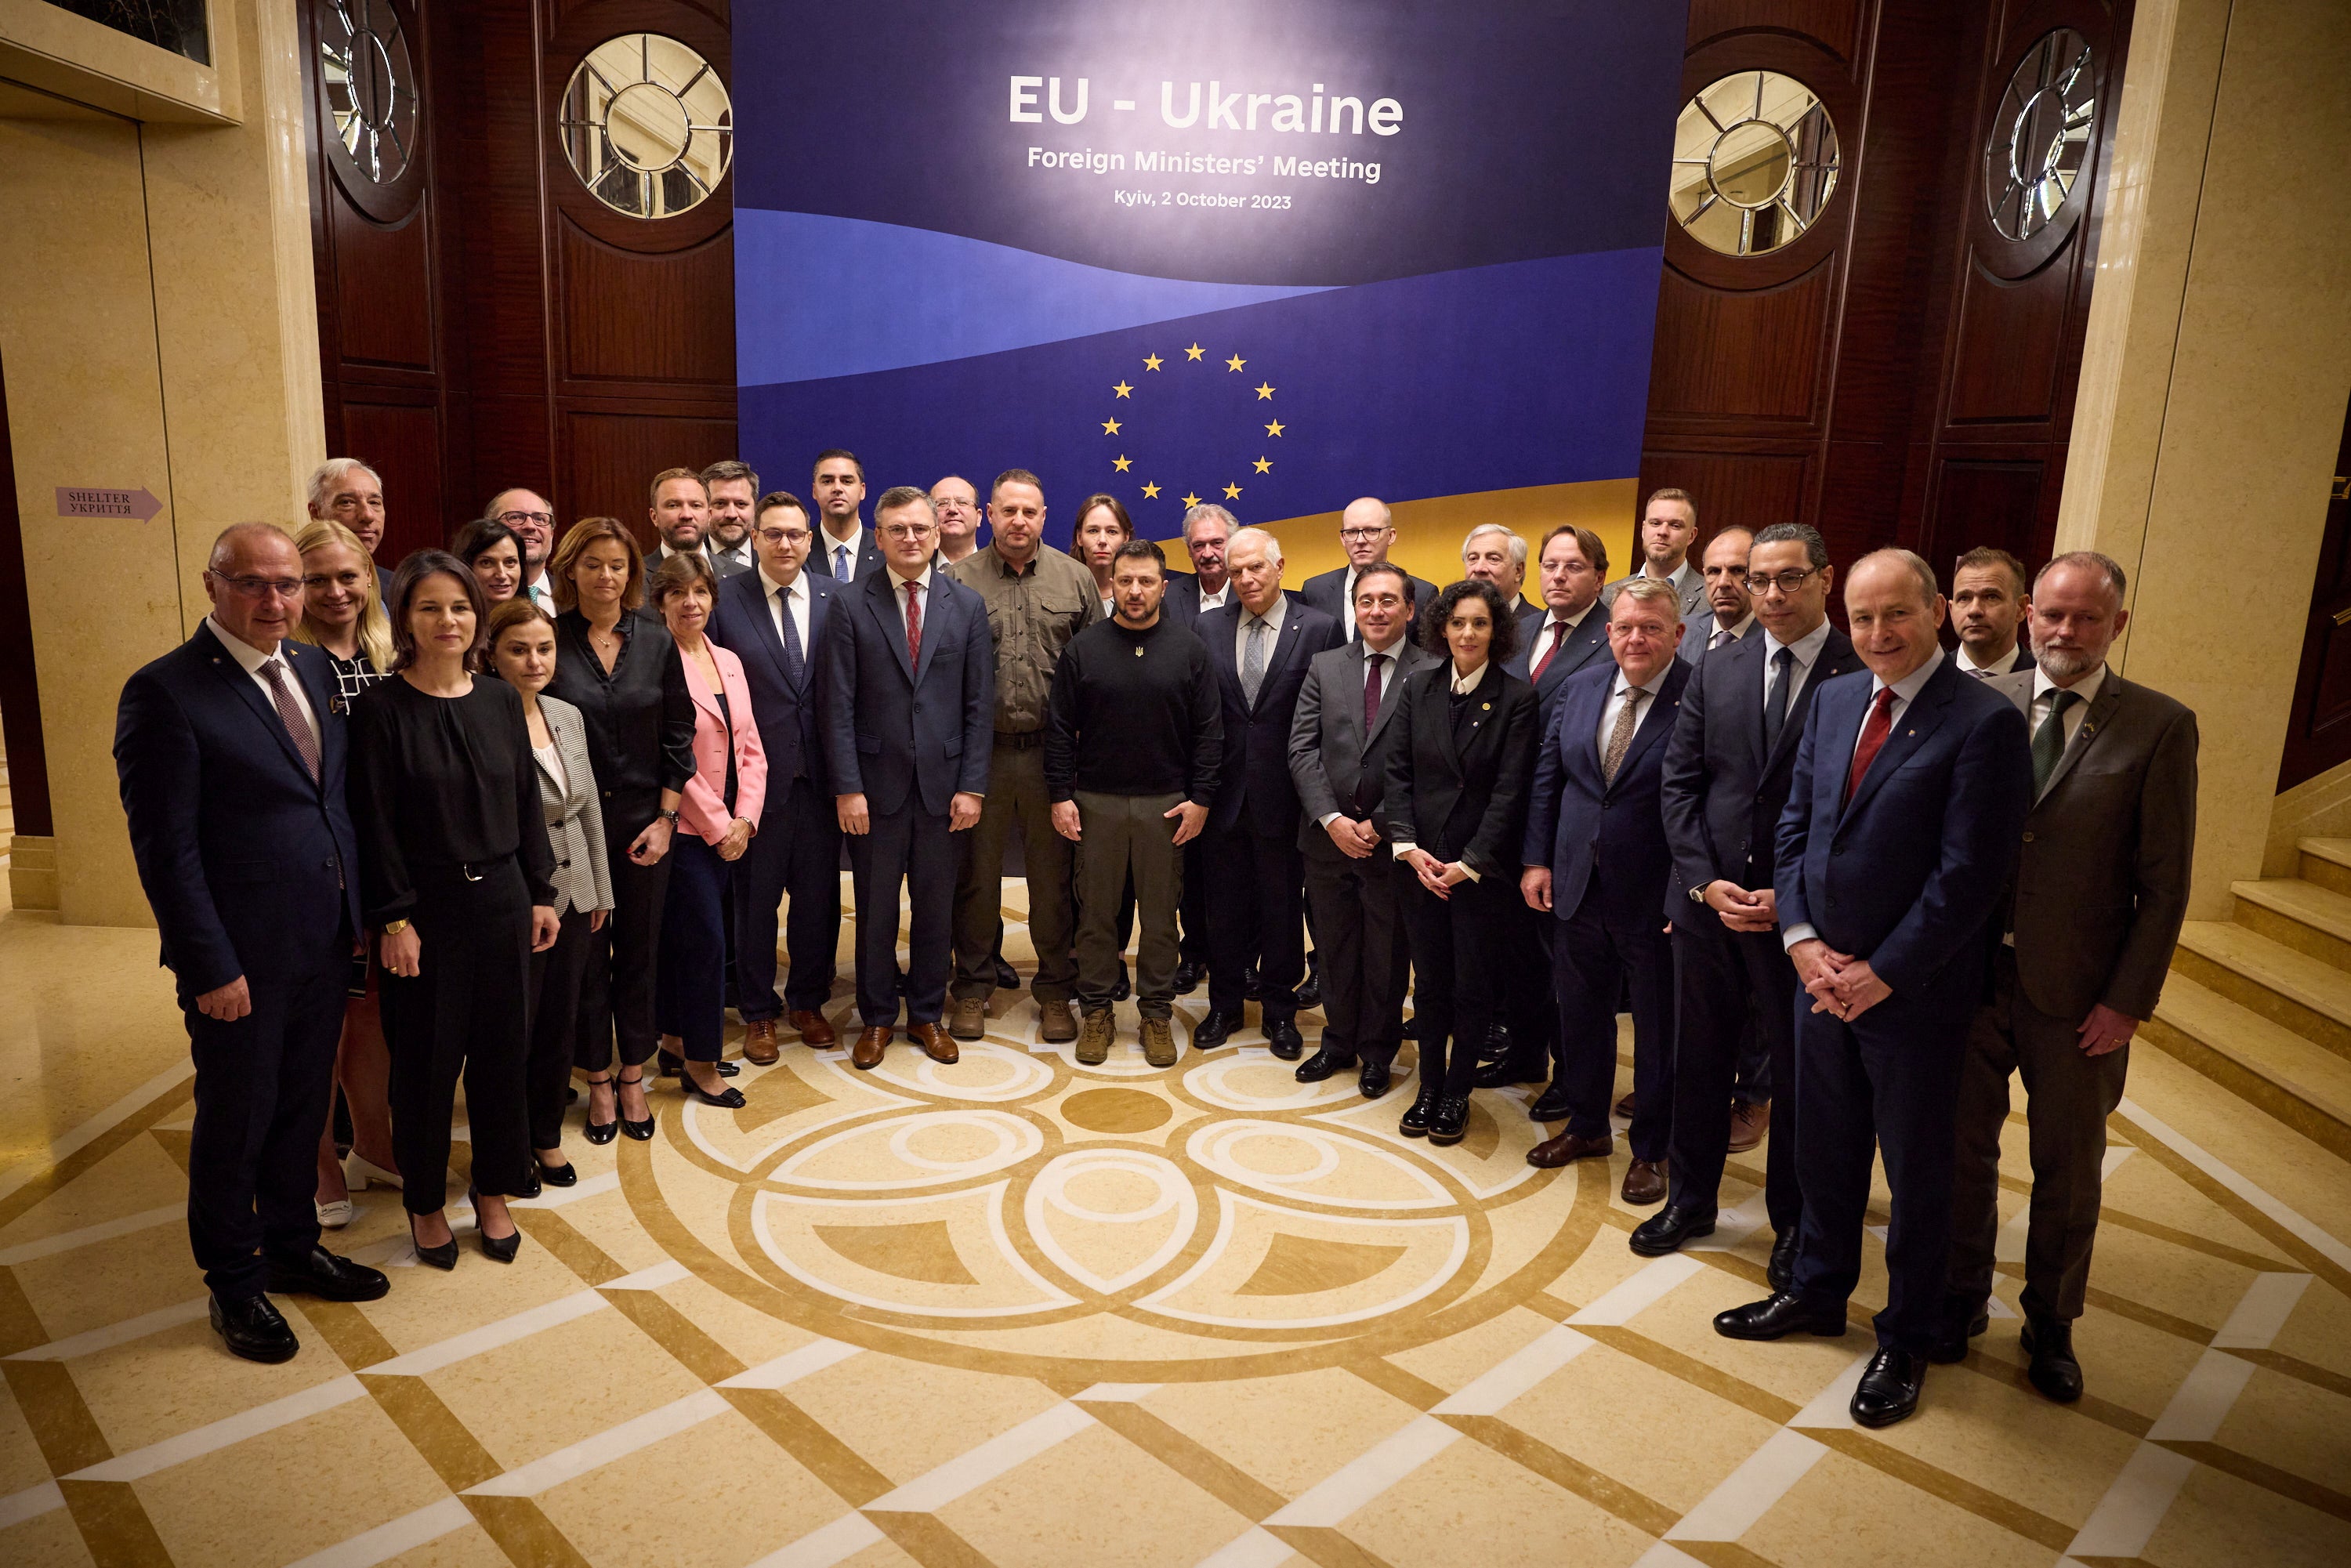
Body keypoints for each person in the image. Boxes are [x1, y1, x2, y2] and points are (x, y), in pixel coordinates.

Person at [1712, 549, 2031, 1433]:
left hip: (1916, 996)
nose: (1879, 633)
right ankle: (1817, 1292)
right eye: (1864, 618)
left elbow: (1970, 877)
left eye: (1897, 614)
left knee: (1920, 1172)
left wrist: (1881, 972)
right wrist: (1805, 942)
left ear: (1935, 613)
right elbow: (1798, 827)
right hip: (1821, 981)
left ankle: (1909, 1335)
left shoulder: (1983, 723)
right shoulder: (1838, 699)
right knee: (1824, 1146)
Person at [115, 523, 389, 1363]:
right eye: (254, 585)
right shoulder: (165, 692)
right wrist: (209, 965)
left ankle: (293, 1245)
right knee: (238, 1116)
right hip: (240, 957)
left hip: (322, 939)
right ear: (212, 586)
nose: (275, 601)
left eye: (288, 584)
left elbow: (329, 803)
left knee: (305, 1104)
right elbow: (167, 851)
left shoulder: (310, 668)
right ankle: (235, 1283)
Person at [1941, 552, 2197, 1401]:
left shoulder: (2158, 725)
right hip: (1974, 981)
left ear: (2116, 625)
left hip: (2080, 997)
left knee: (2068, 1167)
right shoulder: (1982, 706)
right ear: (2027, 615)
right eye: (2051, 614)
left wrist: (2128, 1000)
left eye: (2086, 618)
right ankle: (1959, 1297)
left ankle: (2051, 1322)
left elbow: (2164, 884)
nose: (2063, 632)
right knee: (1960, 1153)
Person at [1651, 523, 1860, 1280]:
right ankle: (1690, 1198)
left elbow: (1856, 808)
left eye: (1788, 578)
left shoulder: (1860, 670)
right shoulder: (1719, 663)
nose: (1771, 594)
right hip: (1712, 906)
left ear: (1825, 579)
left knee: (1800, 1081)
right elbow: (1681, 784)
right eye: (1759, 580)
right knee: (1697, 1060)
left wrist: (1792, 895)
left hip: (1802, 921)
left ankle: (1793, 1224)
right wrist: (1705, 882)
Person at [352, 552, 560, 1269]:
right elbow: (373, 823)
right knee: (427, 1065)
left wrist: (542, 890)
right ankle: (425, 1202)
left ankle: (495, 1190)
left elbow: (526, 803)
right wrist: (395, 919)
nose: (448, 620)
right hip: (426, 911)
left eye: (461, 607)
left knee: (503, 1055)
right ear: (404, 617)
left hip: (503, 897)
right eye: (430, 607)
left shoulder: (501, 698)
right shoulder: (380, 709)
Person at [1520, 579, 1690, 1201]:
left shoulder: (1697, 694)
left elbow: (1703, 804)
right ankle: (1588, 1126)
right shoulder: (1582, 685)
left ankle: (1652, 1148)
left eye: (1650, 627)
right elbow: (1549, 779)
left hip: (1655, 898)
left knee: (1656, 1029)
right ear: (1609, 632)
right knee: (1582, 1016)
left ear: (1677, 633)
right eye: (1624, 627)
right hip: (1575, 885)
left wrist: (1683, 891)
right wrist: (1537, 859)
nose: (1635, 638)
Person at [824, 487, 994, 1067]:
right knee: (875, 909)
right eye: (898, 529)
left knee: (935, 905)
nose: (912, 538)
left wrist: (972, 786)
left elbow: (978, 706)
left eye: (921, 528)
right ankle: (876, 1018)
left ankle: (925, 1014)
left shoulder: (966, 605)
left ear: (936, 532)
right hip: (873, 789)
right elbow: (837, 705)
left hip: (945, 790)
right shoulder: (849, 605)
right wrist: (848, 785)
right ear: (880, 537)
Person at [543, 518, 694, 1143]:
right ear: (570, 570)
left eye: (618, 566)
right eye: (593, 564)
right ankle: (596, 1077)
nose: (606, 577)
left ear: (634, 574)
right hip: (574, 829)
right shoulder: (548, 641)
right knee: (583, 961)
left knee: (639, 951)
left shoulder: (656, 641)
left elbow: (678, 736)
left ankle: (633, 1072)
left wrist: (666, 819)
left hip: (644, 825)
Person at [1048, 539, 1223, 1065]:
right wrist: (1060, 796)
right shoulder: (1085, 647)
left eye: (1146, 581)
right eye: (1125, 581)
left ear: (1163, 586)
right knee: (1097, 916)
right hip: (1096, 802)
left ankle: (1156, 1014)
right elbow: (1059, 729)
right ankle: (1096, 1012)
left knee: (1162, 919)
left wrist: (1201, 799)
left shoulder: (1189, 648)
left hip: (1166, 806)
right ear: (1113, 584)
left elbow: (1210, 733)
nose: (1135, 590)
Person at [1384, 579, 1538, 1144]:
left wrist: (1468, 862)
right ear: (1441, 628)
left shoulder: (1517, 697)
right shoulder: (1417, 687)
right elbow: (1397, 773)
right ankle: (1428, 1085)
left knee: (1472, 987)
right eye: (1458, 622)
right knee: (1429, 984)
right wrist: (1406, 846)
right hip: (1419, 865)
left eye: (1480, 623)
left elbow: (1510, 792)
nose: (1468, 632)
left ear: (1495, 632)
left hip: (1477, 873)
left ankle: (1456, 1090)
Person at [946, 469, 1099, 1042]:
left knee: (1052, 882)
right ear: (989, 514)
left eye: (1029, 512)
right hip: (979, 757)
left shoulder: (1076, 578)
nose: (1018, 521)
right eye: (1007, 511)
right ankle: (973, 986)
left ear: (1044, 516)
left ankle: (1057, 988)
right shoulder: (956, 579)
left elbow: (1095, 675)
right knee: (977, 879)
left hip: (1050, 758)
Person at [289, 520, 400, 1228]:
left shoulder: (389, 652)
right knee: (320, 1022)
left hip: (385, 859)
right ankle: (319, 1159)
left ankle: (377, 1145)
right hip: (320, 868)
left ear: (369, 579)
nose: (336, 591)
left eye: (348, 576)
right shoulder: (288, 662)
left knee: (374, 1014)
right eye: (319, 578)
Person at [1288, 563, 1436, 1098]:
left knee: (1386, 953)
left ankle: (1378, 1050)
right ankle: (1337, 1041)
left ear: (1410, 608)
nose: (1376, 609)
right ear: (1354, 608)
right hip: (1326, 841)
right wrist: (1331, 819)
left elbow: (1429, 764)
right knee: (1333, 947)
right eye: (1366, 600)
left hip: (1391, 844)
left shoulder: (1432, 670)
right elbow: (1301, 748)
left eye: (1388, 600)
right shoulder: (1326, 665)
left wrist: (1376, 824)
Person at [1194, 528, 1342, 1056]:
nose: (1246, 579)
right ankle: (1225, 1005)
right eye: (1236, 572)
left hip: (1287, 797)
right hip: (1223, 797)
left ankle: (1280, 1011)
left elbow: (1330, 718)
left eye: (1256, 567)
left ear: (1281, 566)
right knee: (1223, 911)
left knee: (1281, 910)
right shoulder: (1207, 627)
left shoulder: (1320, 628)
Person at [708, 492, 842, 1061]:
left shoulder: (840, 597)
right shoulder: (724, 598)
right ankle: (759, 1011)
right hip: (753, 785)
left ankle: (808, 1000)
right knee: (755, 902)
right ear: (756, 539)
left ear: (810, 540)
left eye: (795, 534)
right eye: (774, 534)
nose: (785, 544)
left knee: (820, 899)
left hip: (823, 777)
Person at [485, 599, 612, 1190]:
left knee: (561, 1026)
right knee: (514, 1031)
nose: (534, 660)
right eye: (518, 649)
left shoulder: (566, 713)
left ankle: (546, 1137)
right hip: (517, 900)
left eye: (544, 648)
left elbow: (587, 812)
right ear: (491, 654)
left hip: (577, 892)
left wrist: (601, 890)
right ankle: (508, 1148)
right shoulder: (482, 714)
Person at [648, 552, 766, 1106]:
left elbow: (750, 745)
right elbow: (670, 758)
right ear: (660, 602)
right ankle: (702, 1063)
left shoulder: (729, 660)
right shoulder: (653, 660)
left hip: (732, 825)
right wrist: (720, 825)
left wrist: (746, 816)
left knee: (700, 937)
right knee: (703, 946)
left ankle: (674, 1040)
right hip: (689, 830)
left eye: (699, 591)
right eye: (678, 593)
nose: (690, 603)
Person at [1505, 526, 1613, 715]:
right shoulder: (1517, 629)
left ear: (1599, 578)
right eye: (1550, 566)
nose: (1558, 576)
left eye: (1574, 567)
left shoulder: (1616, 637)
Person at [1299, 498, 1437, 643]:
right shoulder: (1315, 591)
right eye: (1352, 532)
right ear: (1342, 538)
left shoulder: (1422, 594)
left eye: (1371, 531)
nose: (1360, 540)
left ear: (1391, 536)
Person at [1603, 488, 1706, 622]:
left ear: (1691, 536)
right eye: (1655, 523)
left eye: (1675, 525)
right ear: (1644, 530)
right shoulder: (1607, 597)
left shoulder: (1710, 599)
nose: (1663, 532)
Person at [1951, 545, 2034, 676]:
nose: (1974, 610)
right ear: (1951, 609)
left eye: (1991, 597)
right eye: (1964, 598)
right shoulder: (1926, 678)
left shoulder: (2046, 682)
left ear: (2021, 608)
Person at [308, 458, 388, 591]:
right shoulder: (292, 587)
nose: (368, 516)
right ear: (316, 513)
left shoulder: (396, 587)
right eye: (347, 502)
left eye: (374, 502)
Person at [812, 449, 883, 580]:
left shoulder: (885, 549)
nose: (837, 488)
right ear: (814, 491)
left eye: (847, 481)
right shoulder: (799, 549)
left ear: (862, 491)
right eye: (827, 481)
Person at [1163, 502, 1237, 628]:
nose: (1207, 554)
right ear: (1189, 550)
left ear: (1232, 545)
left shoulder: (1248, 593)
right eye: (1199, 545)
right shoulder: (1168, 596)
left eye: (1217, 543)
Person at [485, 488, 559, 611]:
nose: (530, 526)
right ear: (489, 530)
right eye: (515, 517)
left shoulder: (576, 596)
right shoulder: (469, 598)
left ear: (551, 533)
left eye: (539, 519)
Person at [1691, 527, 1756, 662]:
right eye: (1714, 571)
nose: (1723, 583)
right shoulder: (1681, 634)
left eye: (1738, 570)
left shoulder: (1775, 638)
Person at [1072, 493, 1132, 621]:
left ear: (1126, 538)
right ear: (1079, 537)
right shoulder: (1062, 590)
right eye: (1093, 531)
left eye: (1112, 532)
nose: (1102, 540)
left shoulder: (1138, 593)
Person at [1461, 525, 1539, 621]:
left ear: (1518, 571)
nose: (1479, 568)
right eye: (1473, 559)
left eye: (1493, 559)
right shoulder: (1450, 624)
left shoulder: (1541, 628)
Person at [700, 460, 760, 577]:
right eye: (720, 503)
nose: (731, 514)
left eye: (741, 504)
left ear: (755, 509)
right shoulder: (688, 558)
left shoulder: (774, 555)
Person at [452, 517, 524, 605]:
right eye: (487, 563)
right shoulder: (449, 618)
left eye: (510, 562)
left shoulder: (535, 617)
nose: (502, 575)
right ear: (465, 567)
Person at [650, 468, 713, 566]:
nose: (686, 515)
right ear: (654, 517)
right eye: (673, 505)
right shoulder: (633, 577)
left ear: (709, 515)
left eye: (696, 505)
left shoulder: (740, 576)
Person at [932, 474, 984, 566]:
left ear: (978, 517)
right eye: (942, 503)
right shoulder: (916, 571)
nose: (952, 509)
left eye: (962, 502)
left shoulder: (998, 571)